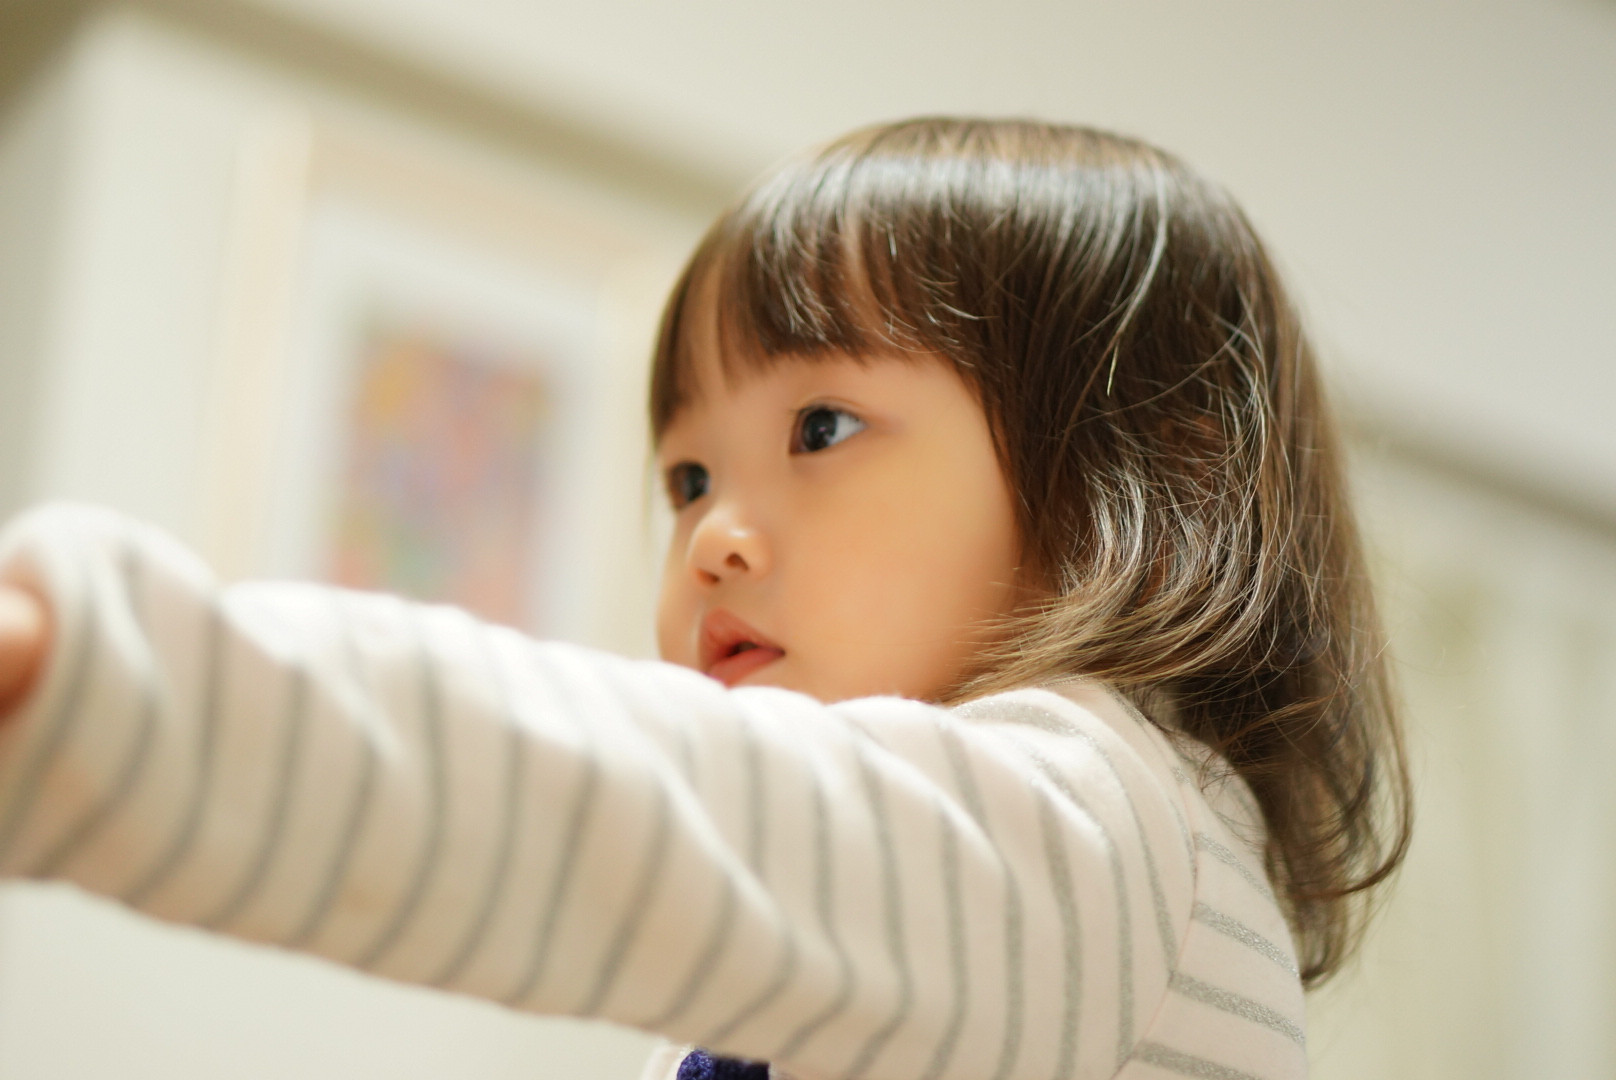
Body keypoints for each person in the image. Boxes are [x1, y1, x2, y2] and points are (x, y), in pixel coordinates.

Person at [0, 118, 1410, 1080]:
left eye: (821, 430)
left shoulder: (1102, 833)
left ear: (1147, 471)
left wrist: (97, 677)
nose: (713, 538)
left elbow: (603, 808)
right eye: (685, 476)